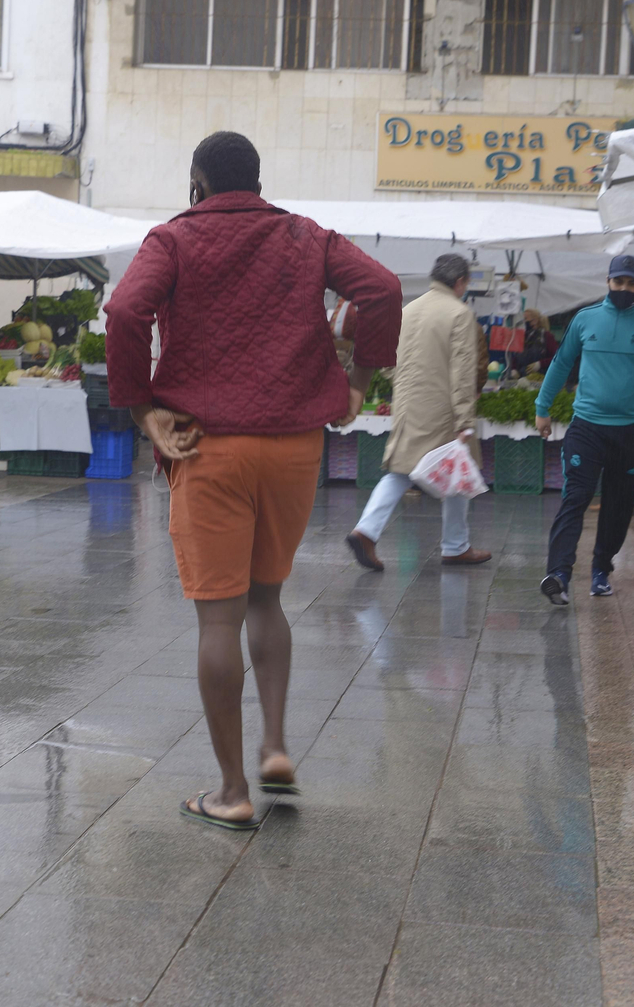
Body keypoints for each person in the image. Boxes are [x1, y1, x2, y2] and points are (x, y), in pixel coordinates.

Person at [105, 131, 401, 831]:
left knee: (219, 618)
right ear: (258, 183)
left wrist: (143, 408)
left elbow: (124, 312)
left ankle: (233, 791)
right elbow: (382, 289)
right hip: (293, 447)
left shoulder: (173, 239)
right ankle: (274, 746)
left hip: (207, 447)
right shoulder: (306, 236)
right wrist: (359, 377)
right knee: (268, 602)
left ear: (196, 184)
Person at [535, 255, 634, 605]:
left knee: (619, 507)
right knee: (575, 500)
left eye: (631, 284)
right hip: (586, 428)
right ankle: (559, 574)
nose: (623, 289)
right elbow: (561, 363)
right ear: (608, 281)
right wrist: (542, 408)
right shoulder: (585, 320)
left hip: (629, 433)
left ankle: (601, 569)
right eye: (618, 282)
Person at [346, 254, 493, 571]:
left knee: (402, 469)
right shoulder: (460, 314)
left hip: (407, 402)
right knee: (456, 469)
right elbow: (463, 372)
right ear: (460, 283)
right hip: (443, 408)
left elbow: (387, 361)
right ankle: (455, 546)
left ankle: (368, 531)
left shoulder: (407, 311)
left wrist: (401, 382)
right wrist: (466, 419)